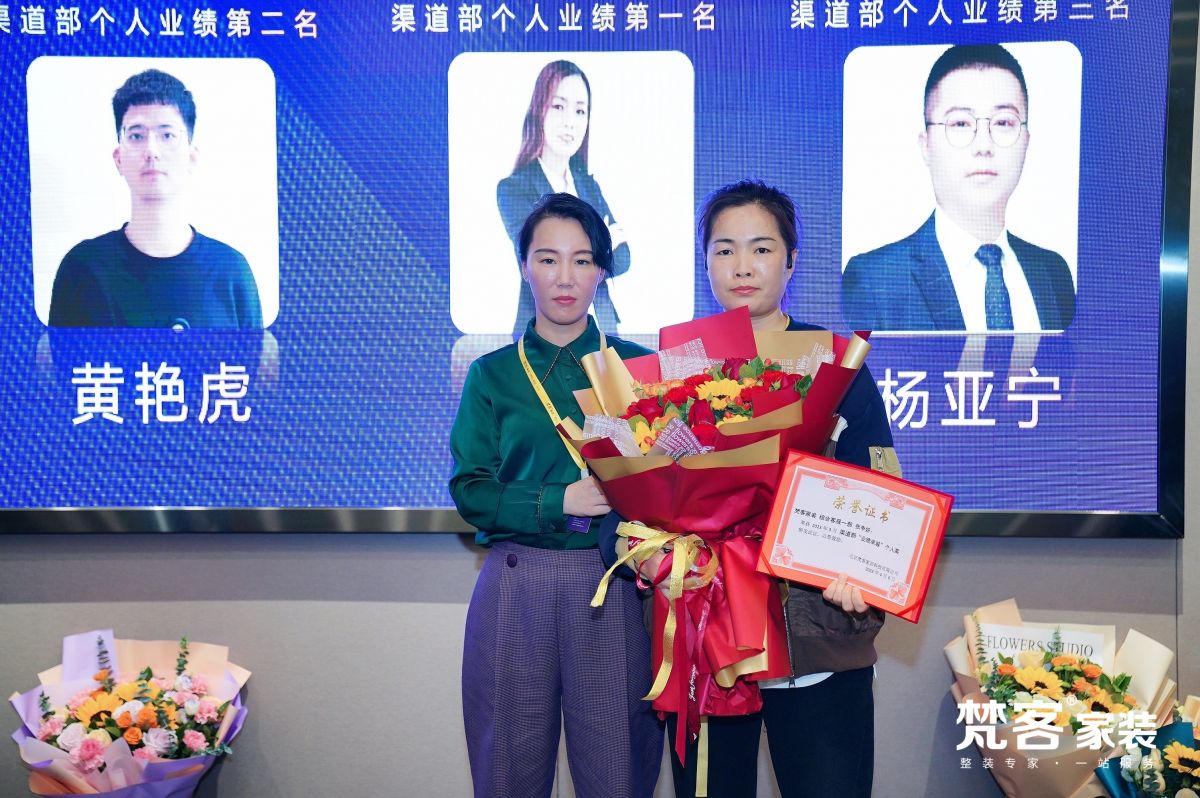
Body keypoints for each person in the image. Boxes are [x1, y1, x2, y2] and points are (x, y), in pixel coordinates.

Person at [607, 180, 897, 798]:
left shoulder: (836, 363)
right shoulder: (673, 371)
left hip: (817, 633)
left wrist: (865, 572)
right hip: (706, 638)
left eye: (761, 248)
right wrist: (644, 550)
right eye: (724, 249)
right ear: (706, 263)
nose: (742, 266)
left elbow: (879, 494)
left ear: (791, 261)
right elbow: (630, 496)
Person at [450, 193, 661, 798]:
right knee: (508, 769)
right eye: (548, 259)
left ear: (602, 270)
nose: (565, 277)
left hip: (614, 582)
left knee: (618, 770)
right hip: (517, 582)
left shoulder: (641, 369)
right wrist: (557, 501)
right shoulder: (491, 374)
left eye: (581, 260)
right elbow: (470, 490)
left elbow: (673, 477)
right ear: (525, 267)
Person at [842, 44, 1075, 333]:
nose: (983, 145)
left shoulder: (1052, 271)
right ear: (926, 145)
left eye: (1003, 122)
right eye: (961, 123)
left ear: (1026, 140)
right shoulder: (874, 280)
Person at [48, 69, 262, 329]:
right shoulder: (82, 269)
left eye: (167, 135)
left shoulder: (230, 270)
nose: (152, 150)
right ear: (118, 159)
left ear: (191, 157)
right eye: (136, 136)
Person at [497, 60, 630, 337]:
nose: (570, 122)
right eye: (559, 106)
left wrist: (577, 253)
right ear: (539, 110)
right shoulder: (514, 189)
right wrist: (602, 241)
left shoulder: (587, 184)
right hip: (541, 340)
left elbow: (624, 257)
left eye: (580, 110)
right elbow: (539, 265)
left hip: (603, 334)